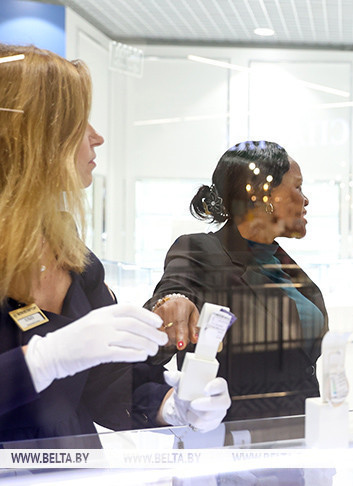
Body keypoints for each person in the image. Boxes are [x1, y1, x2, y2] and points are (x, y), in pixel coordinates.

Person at [0, 44, 229, 443]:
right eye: (77, 121)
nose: (97, 136)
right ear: (29, 136)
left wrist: (171, 403)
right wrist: (42, 360)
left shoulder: (73, 258)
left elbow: (107, 384)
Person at [147, 140, 328, 420]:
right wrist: (171, 304)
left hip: (302, 435)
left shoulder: (283, 263)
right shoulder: (201, 250)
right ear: (263, 195)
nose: (306, 200)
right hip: (233, 441)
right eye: (298, 187)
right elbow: (174, 291)